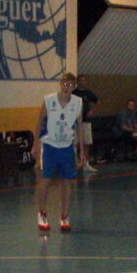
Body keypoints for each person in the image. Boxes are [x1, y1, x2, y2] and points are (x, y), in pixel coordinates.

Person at [32, 73, 85, 232]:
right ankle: (42, 213)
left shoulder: (78, 102)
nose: (67, 87)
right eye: (65, 84)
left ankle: (64, 216)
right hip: (49, 146)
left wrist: (82, 150)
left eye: (71, 85)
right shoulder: (49, 100)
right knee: (46, 180)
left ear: (74, 87)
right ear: (60, 84)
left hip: (67, 147)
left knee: (67, 182)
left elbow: (80, 126)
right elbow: (40, 122)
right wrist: (35, 144)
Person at [73, 74, 98, 172]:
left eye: (84, 80)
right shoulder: (74, 93)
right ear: (77, 82)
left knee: (87, 142)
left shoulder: (88, 93)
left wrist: (93, 111)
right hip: (75, 122)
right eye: (80, 80)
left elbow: (97, 101)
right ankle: (76, 162)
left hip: (86, 121)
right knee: (76, 143)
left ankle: (86, 163)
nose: (82, 82)